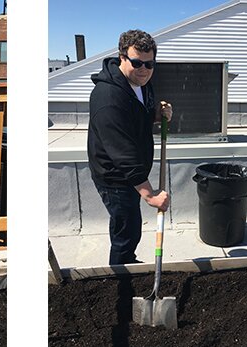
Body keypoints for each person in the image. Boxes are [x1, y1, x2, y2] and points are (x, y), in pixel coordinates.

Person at [87, 29, 173, 265]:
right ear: (122, 57)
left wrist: (156, 115)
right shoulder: (107, 99)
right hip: (115, 176)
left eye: (150, 64)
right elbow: (122, 153)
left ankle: (127, 266)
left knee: (130, 226)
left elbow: (136, 116)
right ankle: (121, 275)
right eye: (137, 63)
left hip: (131, 171)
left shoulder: (141, 83)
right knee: (126, 231)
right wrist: (150, 195)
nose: (144, 70)